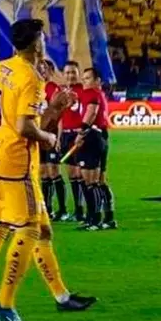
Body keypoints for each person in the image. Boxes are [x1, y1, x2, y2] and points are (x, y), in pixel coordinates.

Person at [0, 18, 95, 321]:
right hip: (15, 167)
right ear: (36, 43)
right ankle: (4, 305)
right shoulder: (29, 78)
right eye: (43, 37)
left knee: (11, 230)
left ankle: (54, 295)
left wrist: (51, 106)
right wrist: (48, 137)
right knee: (28, 231)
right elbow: (26, 128)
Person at [79, 68, 116, 230]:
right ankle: (109, 218)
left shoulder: (92, 94)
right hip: (102, 137)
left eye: (88, 78)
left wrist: (81, 131)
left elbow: (91, 113)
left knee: (90, 182)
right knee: (100, 181)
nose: (84, 81)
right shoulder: (100, 95)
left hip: (92, 137)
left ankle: (95, 220)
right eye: (84, 78)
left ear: (97, 80)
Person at [38, 60, 69, 220]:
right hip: (39, 137)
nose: (41, 71)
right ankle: (47, 209)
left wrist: (58, 137)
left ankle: (63, 210)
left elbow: (59, 115)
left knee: (54, 172)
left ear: (50, 71)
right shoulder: (35, 87)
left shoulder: (52, 88)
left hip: (51, 136)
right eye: (40, 69)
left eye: (44, 69)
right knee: (43, 173)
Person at [58, 61, 88, 222]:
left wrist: (83, 134)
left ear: (78, 74)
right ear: (63, 74)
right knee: (71, 176)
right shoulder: (62, 92)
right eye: (67, 72)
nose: (70, 75)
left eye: (73, 72)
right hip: (66, 137)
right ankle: (78, 210)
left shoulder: (83, 91)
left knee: (80, 174)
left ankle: (84, 210)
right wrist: (58, 137)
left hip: (79, 136)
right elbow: (61, 118)